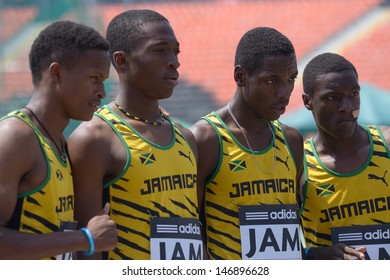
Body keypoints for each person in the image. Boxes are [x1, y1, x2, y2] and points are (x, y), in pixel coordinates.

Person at [68, 9, 201, 260]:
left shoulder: (186, 137)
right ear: (121, 60)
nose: (174, 60)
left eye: (176, 51)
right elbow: (86, 251)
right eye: (160, 50)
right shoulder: (95, 139)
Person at [0, 20, 117, 260]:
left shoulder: (59, 143)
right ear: (56, 73)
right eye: (94, 77)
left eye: (103, 80)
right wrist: (85, 238)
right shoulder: (15, 137)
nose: (102, 92)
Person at [190, 27, 304, 260]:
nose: (284, 92)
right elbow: (190, 230)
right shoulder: (206, 139)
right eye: (271, 80)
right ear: (240, 76)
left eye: (291, 79)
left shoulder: (292, 140)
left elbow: (294, 229)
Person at [300, 52, 390, 260]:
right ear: (308, 101)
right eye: (332, 97)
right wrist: (313, 255)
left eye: (354, 94)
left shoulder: (386, 144)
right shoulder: (299, 163)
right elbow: (276, 248)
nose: (347, 107)